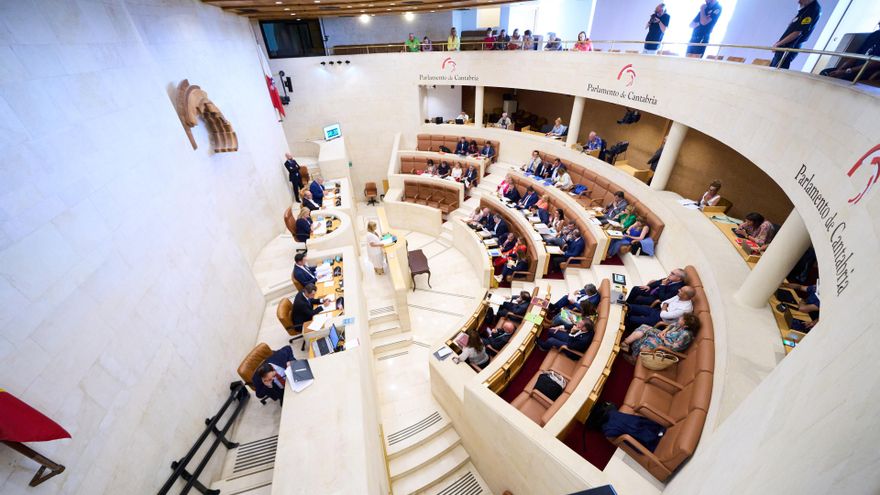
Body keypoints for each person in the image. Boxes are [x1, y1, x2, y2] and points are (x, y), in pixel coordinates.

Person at [623, 313, 700, 359]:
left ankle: (634, 358)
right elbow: (672, 325)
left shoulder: (686, 335)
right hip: (664, 336)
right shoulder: (681, 325)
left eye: (681, 319)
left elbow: (674, 348)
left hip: (666, 346)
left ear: (685, 325)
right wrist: (664, 331)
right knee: (644, 327)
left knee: (648, 341)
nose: (679, 318)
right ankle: (625, 343)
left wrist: (663, 339)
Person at [771, 0, 821, 70]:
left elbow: (797, 33)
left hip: (790, 46)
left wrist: (778, 44)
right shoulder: (805, 8)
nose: (798, 2)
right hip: (783, 45)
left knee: (776, 72)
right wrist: (779, 43)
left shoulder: (813, 10)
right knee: (772, 69)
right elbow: (793, 24)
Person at [625, 286, 696, 332]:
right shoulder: (679, 296)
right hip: (657, 311)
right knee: (630, 307)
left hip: (660, 321)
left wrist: (665, 308)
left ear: (686, 295)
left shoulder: (685, 309)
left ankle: (626, 331)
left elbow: (663, 315)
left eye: (681, 290)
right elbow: (664, 302)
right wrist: (665, 308)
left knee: (631, 319)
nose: (678, 290)